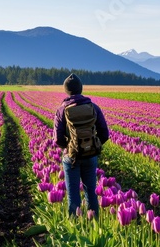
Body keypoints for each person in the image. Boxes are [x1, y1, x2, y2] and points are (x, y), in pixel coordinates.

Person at [54, 73, 109, 217]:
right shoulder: (93, 107)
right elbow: (104, 133)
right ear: (81, 88)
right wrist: (93, 144)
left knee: (73, 193)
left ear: (66, 90)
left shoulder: (62, 110)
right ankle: (94, 222)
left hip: (71, 157)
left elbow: (57, 138)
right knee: (91, 191)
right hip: (90, 155)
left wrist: (68, 147)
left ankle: (75, 226)